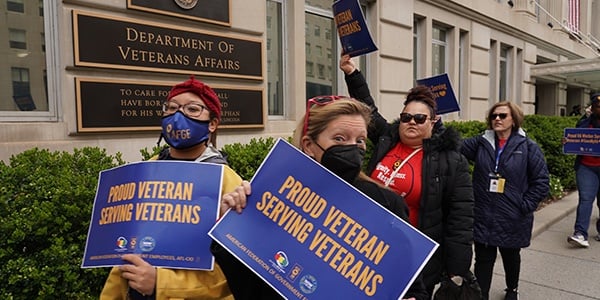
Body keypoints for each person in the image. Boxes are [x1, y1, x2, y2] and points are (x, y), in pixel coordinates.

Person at [211, 96, 429, 300]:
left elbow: (412, 288)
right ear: (308, 145)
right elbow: (248, 290)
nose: (353, 147)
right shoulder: (277, 200)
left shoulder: (386, 204)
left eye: (360, 140)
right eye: (340, 138)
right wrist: (232, 223)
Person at [100, 76, 246, 300]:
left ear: (213, 123)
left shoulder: (228, 185)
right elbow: (124, 254)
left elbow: (232, 275)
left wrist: (161, 283)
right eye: (172, 108)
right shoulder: (145, 172)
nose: (179, 116)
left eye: (193, 109)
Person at [340, 54, 474, 297]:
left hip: (412, 257)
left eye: (420, 118)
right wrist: (352, 73)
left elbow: (460, 223)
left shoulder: (451, 162)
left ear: (434, 122)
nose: (411, 122)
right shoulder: (386, 139)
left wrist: (456, 272)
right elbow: (368, 108)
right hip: (366, 246)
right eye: (406, 117)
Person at [461, 101, 550, 300]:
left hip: (512, 215)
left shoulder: (528, 147)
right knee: (483, 258)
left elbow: (541, 181)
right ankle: (480, 294)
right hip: (484, 213)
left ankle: (512, 289)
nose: (497, 119)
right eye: (494, 116)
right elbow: (456, 146)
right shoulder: (482, 142)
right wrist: (437, 123)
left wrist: (524, 205)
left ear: (514, 120)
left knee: (510, 256)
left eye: (502, 116)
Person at [567, 92, 600, 247]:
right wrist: (568, 141)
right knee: (585, 199)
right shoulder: (584, 123)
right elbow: (576, 138)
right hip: (586, 167)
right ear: (592, 108)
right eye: (597, 105)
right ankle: (580, 233)